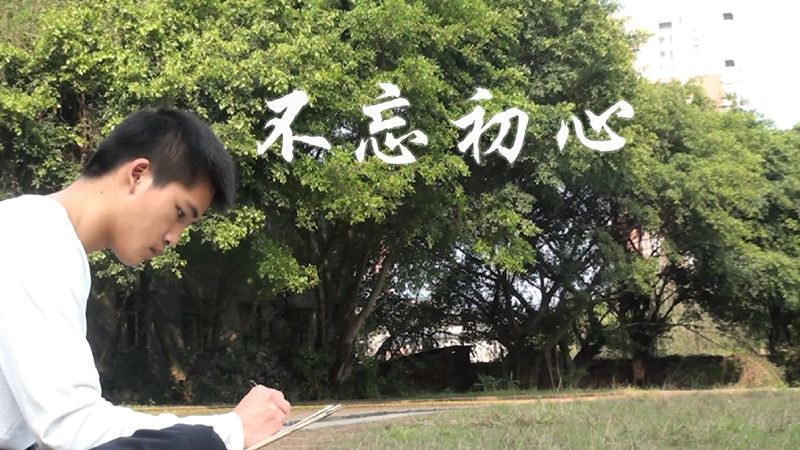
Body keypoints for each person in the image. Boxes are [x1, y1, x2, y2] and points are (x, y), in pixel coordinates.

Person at [0, 108, 290, 450]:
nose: (174, 238)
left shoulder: (39, 234)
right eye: (179, 213)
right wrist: (230, 431)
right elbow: (71, 428)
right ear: (138, 175)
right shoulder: (33, 237)